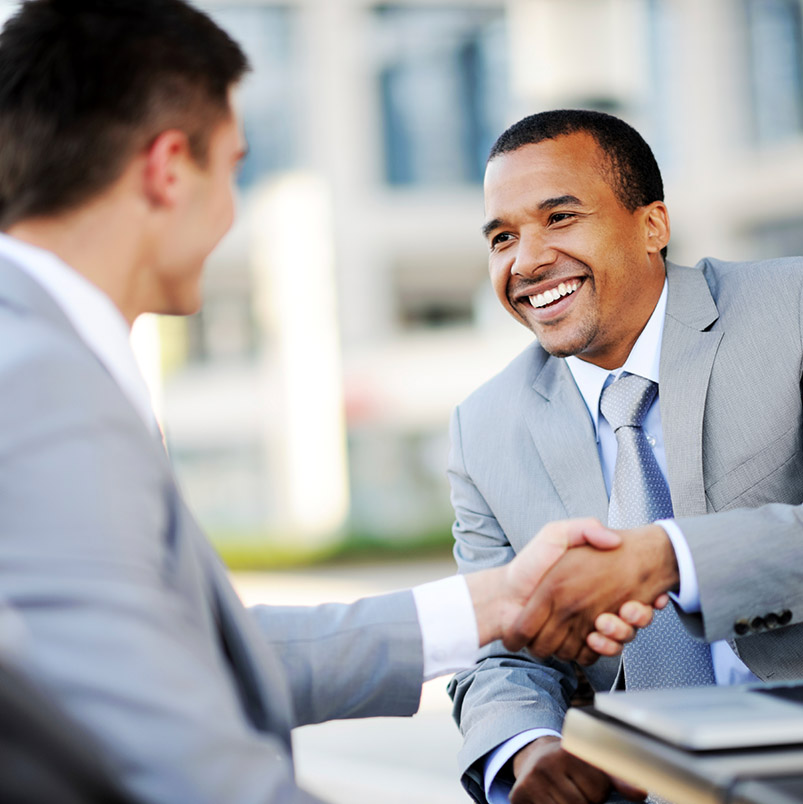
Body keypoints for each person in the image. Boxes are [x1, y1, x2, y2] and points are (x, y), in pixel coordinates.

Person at [0, 4, 651, 803]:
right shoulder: (39, 384)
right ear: (169, 167)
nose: (230, 210)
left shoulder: (50, 361)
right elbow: (167, 753)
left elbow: (185, 655)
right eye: (234, 167)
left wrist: (501, 600)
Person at [448, 108, 803, 804]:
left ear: (652, 226)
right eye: (501, 236)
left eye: (559, 217)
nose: (525, 261)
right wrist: (526, 746)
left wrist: (672, 557)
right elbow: (497, 650)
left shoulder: (789, 310)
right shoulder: (482, 427)